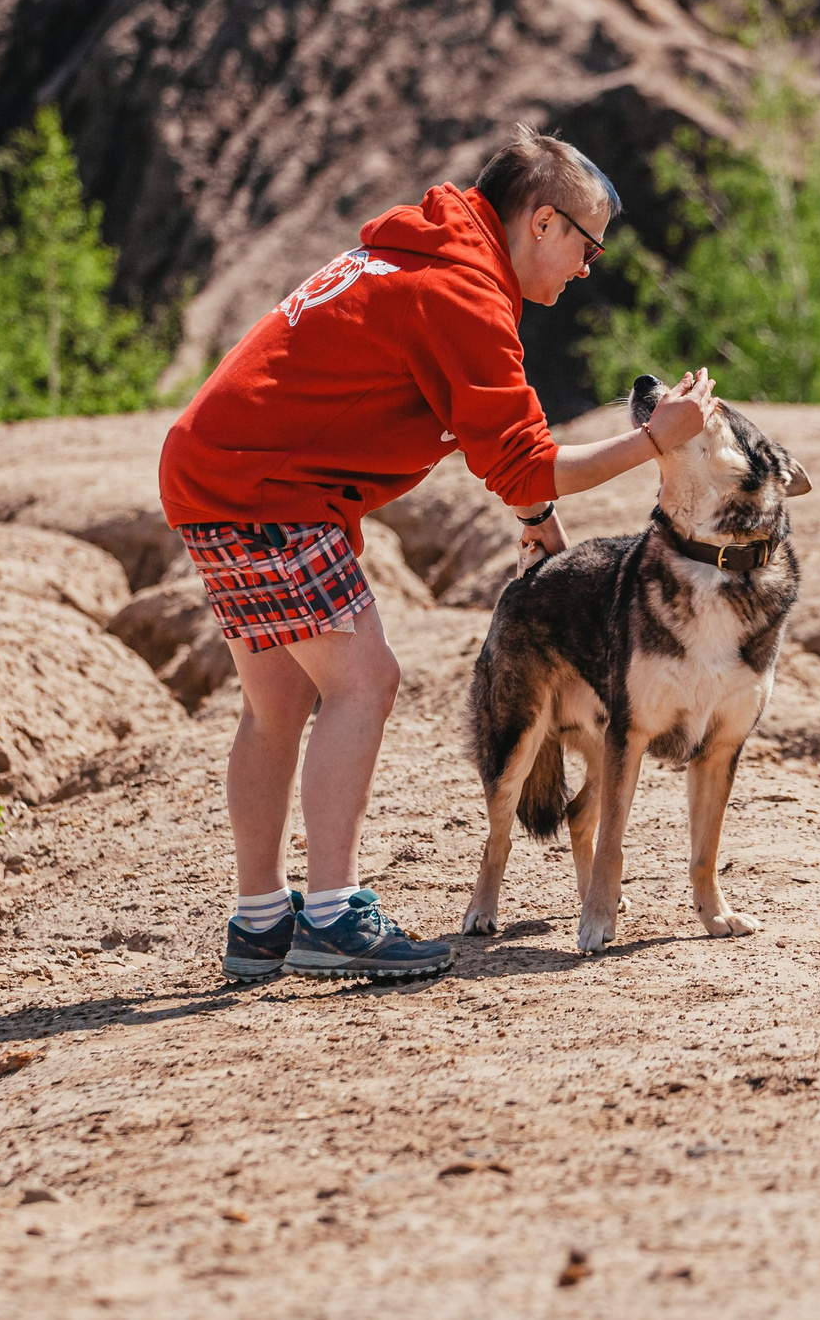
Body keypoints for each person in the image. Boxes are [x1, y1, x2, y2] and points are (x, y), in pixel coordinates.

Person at [157, 129, 718, 981]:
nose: (588, 265)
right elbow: (531, 460)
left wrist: (539, 523)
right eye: (587, 242)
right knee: (365, 682)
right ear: (540, 222)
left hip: (218, 473)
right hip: (271, 492)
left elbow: (498, 450)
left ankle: (262, 917)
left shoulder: (428, 259)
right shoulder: (464, 294)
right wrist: (652, 440)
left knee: (276, 703)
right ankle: (335, 918)